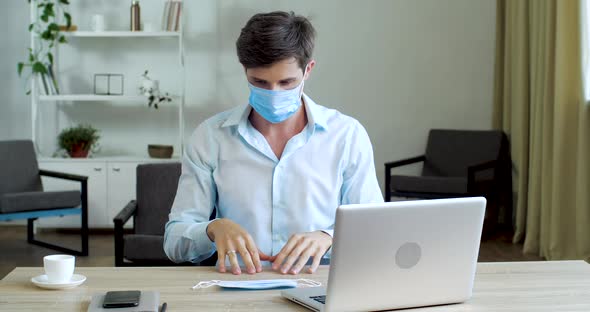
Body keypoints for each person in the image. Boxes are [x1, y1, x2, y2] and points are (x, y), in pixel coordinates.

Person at [164, 11, 383, 276]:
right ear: (245, 71)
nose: (273, 93)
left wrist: (329, 237)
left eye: (287, 82)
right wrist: (212, 229)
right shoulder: (210, 137)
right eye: (259, 82)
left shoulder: (347, 136)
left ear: (308, 70)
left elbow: (375, 231)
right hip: (236, 286)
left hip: (322, 285)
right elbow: (174, 242)